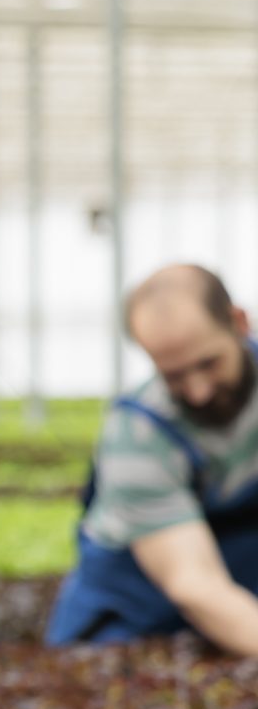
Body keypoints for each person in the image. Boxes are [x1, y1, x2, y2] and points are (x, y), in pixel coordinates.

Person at [46, 264, 258, 649]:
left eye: (208, 363)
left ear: (239, 322)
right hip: (133, 611)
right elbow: (195, 584)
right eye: (174, 375)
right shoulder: (138, 434)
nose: (198, 392)